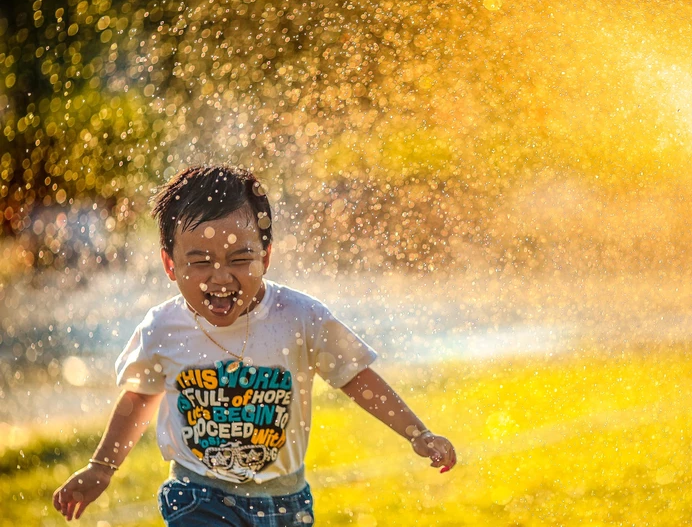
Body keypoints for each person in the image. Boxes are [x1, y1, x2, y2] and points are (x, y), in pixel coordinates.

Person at [52, 165, 457, 525]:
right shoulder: (163, 328)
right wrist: (102, 466)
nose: (221, 277)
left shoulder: (299, 317)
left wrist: (417, 433)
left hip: (285, 503)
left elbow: (356, 377)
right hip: (198, 496)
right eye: (200, 261)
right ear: (170, 265)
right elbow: (140, 398)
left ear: (266, 256)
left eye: (239, 258)